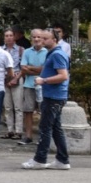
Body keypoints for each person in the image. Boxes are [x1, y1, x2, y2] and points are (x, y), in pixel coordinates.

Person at [21, 28, 71, 171]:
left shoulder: (57, 55)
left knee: (45, 128)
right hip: (54, 96)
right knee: (55, 128)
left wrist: (44, 80)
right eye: (40, 38)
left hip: (54, 96)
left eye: (45, 39)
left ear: (54, 39)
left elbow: (63, 76)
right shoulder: (53, 53)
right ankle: (62, 159)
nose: (41, 41)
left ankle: (40, 159)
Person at [15, 31, 49, 145]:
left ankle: (42, 137)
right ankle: (28, 136)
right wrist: (35, 69)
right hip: (29, 84)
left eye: (38, 37)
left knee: (43, 112)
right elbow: (23, 68)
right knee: (28, 111)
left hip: (43, 85)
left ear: (42, 38)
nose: (36, 39)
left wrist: (30, 68)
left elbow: (44, 70)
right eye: (34, 37)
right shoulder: (27, 51)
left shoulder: (47, 52)